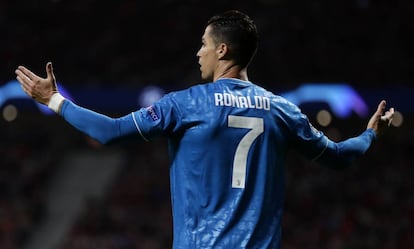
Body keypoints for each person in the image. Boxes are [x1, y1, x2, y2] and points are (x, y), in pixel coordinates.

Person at [15, 10, 393, 249]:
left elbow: (109, 132)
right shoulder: (283, 111)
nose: (198, 53)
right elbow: (342, 157)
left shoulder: (187, 103)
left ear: (223, 50)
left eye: (203, 45)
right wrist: (370, 133)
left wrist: (53, 101)